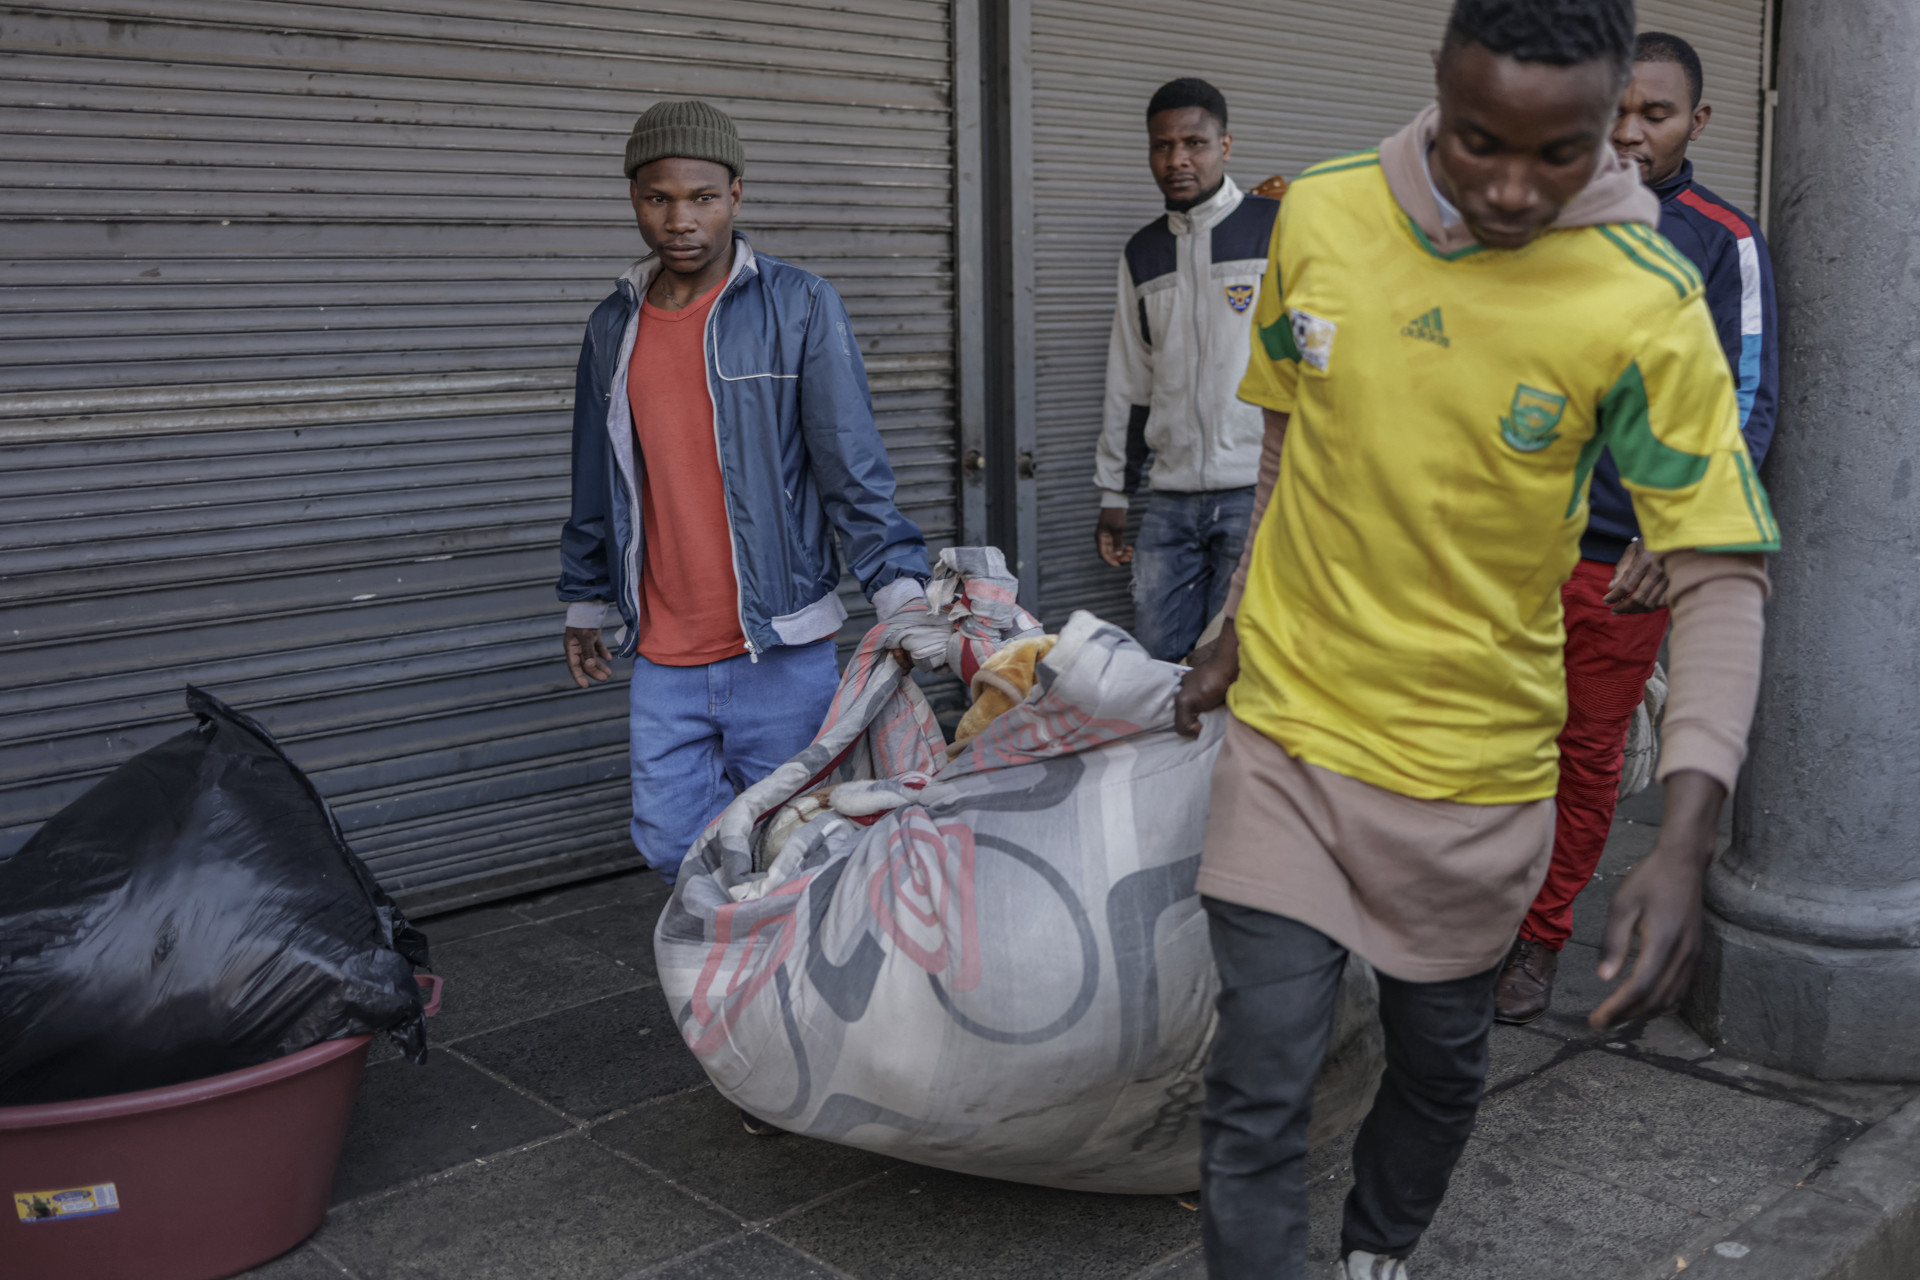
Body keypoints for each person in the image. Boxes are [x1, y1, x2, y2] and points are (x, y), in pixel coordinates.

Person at [1173, 1, 1779, 1275]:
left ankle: (1377, 1248)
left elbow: (1721, 567)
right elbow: (1285, 442)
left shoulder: (1647, 296)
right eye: (1474, 139)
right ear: (1437, 94)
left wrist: (1685, 830)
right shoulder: (1324, 216)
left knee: (1442, 1070)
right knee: (1258, 1084)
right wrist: (1232, 624)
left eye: (1555, 155)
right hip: (1292, 730)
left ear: (1612, 127)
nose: (1507, 187)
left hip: (1474, 772)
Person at [557, 100, 940, 891]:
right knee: (673, 846)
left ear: (736, 194)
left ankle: (798, 1004)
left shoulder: (799, 304)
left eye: (701, 197)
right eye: (658, 197)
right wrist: (586, 596)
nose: (679, 218)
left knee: (796, 843)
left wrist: (897, 589)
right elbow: (595, 472)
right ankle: (735, 991)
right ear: (634, 199)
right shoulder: (610, 328)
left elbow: (850, 464)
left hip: (780, 646)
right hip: (664, 653)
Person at [1496, 30, 1780, 1023]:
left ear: (1696, 122)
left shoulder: (1719, 238)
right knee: (1478, 742)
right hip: (1507, 548)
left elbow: (1747, 405)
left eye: (1653, 114)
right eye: (1614, 110)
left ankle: (1539, 939)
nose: (1628, 133)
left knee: (1585, 752)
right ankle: (1462, 918)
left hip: (1624, 563)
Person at [1092, 78, 1281, 661]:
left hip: (1256, 491)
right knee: (1156, 665)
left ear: (1226, 145)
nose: (1177, 159)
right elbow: (1130, 377)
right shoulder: (1143, 251)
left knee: (1241, 665)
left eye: (1194, 142)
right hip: (1170, 501)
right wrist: (1114, 490)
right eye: (1162, 145)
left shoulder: (1275, 228)